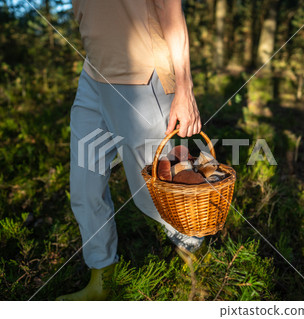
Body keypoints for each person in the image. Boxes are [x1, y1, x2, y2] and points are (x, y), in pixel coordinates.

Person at [56, 0, 205, 301]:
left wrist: (184, 89)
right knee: (84, 186)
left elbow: (170, 12)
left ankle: (193, 242)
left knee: (153, 195)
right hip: (94, 74)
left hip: (141, 76)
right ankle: (101, 278)